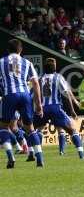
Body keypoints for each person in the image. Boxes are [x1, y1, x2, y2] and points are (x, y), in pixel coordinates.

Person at [0, 39, 44, 168]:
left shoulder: (1, 62)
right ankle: (39, 158)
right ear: (21, 50)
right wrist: (39, 104)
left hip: (9, 96)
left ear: (8, 50)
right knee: (30, 128)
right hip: (25, 95)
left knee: (3, 127)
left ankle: (10, 157)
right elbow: (35, 83)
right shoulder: (27, 63)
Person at [33, 58, 84, 158]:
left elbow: (34, 95)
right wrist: (72, 110)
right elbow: (67, 93)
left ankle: (36, 153)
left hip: (43, 108)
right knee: (71, 130)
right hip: (55, 108)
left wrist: (36, 107)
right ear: (54, 67)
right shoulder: (58, 77)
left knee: (35, 130)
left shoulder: (40, 79)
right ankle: (81, 153)